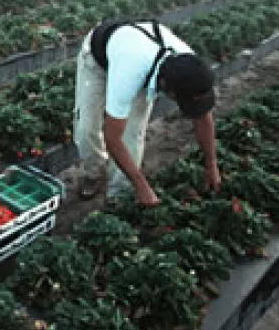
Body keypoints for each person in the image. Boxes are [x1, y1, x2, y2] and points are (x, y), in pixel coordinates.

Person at [73, 20, 221, 206]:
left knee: (132, 135)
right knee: (86, 128)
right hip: (98, 60)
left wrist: (212, 164)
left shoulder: (191, 68)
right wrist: (142, 186)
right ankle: (94, 172)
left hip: (140, 59)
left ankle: (119, 195)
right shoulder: (130, 72)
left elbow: (203, 118)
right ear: (170, 92)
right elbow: (113, 138)